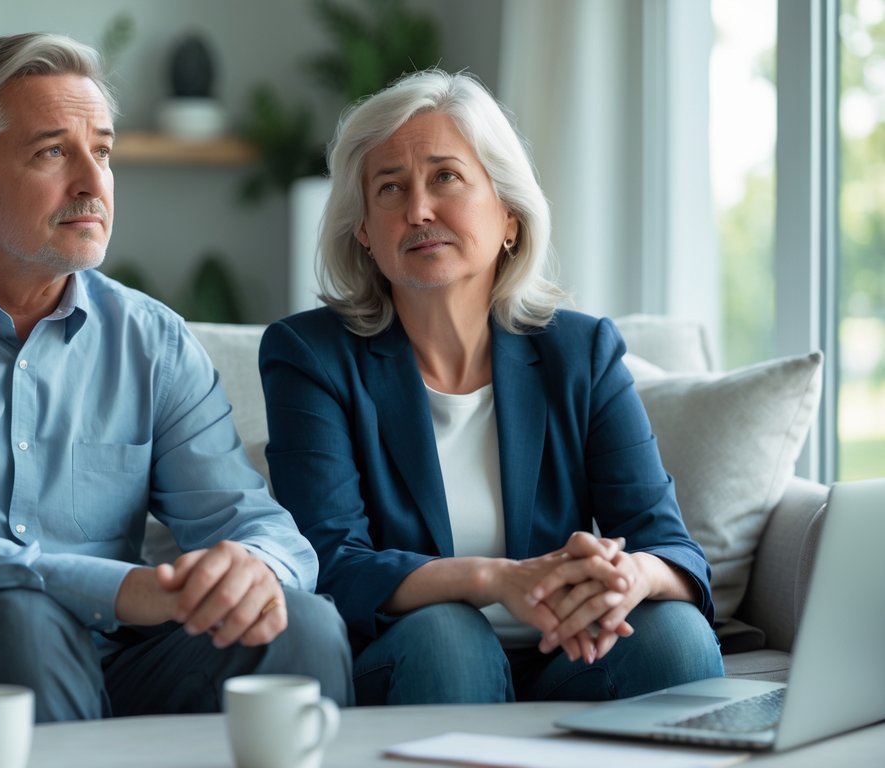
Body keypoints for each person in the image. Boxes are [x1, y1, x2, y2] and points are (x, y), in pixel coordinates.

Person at [0, 32, 351, 722]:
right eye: (53, 152)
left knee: (300, 622)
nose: (93, 183)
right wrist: (116, 588)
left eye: (103, 152)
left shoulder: (152, 339)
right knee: (23, 619)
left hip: (120, 655)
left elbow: (259, 526)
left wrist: (251, 570)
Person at [258, 69, 723, 706]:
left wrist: (623, 576)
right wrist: (496, 580)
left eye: (445, 177)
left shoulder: (581, 351)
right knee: (451, 636)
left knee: (675, 635)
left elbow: (668, 544)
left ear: (508, 213)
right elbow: (330, 562)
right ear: (364, 231)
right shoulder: (309, 354)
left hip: (564, 656)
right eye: (390, 188)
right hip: (410, 655)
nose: (419, 209)